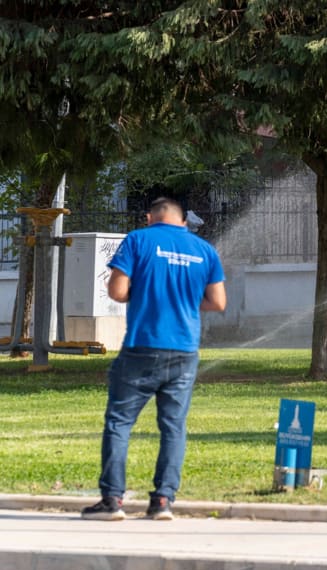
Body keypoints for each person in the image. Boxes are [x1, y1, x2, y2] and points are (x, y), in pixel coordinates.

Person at [81, 197, 226, 521]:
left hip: (142, 347)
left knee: (119, 422)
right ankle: (163, 501)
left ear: (150, 217)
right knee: (173, 426)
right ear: (183, 221)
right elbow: (217, 302)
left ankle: (112, 501)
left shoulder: (138, 240)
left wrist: (146, 291)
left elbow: (117, 291)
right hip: (185, 350)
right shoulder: (204, 250)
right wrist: (185, 299)